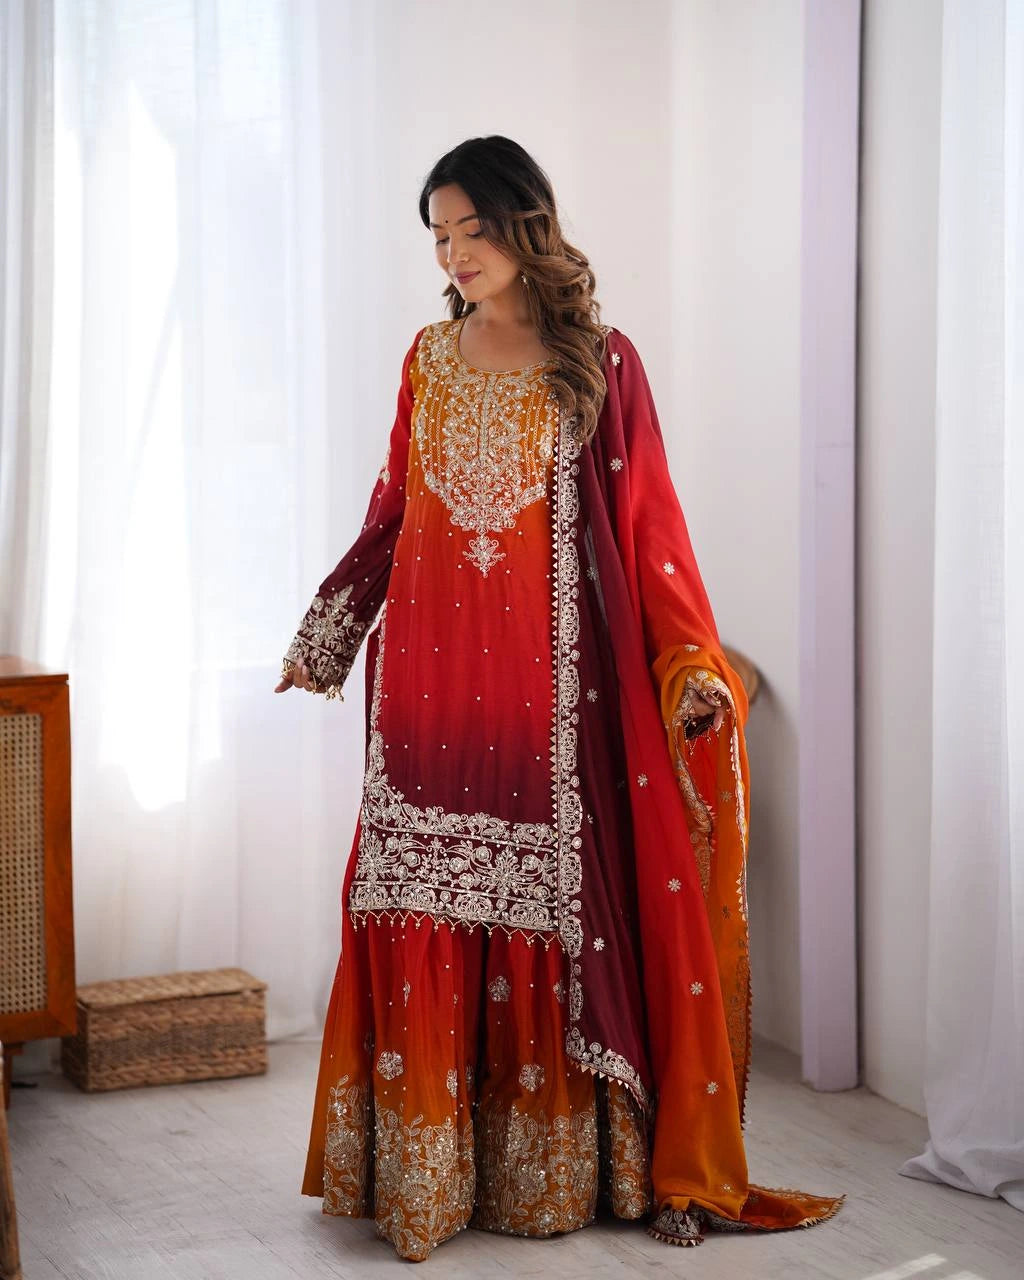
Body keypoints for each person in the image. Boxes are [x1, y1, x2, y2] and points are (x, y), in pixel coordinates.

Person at [275, 135, 843, 1262]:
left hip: (548, 706)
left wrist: (688, 670)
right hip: (427, 701)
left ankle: (556, 1172)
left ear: (522, 222)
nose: (451, 251)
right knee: (416, 902)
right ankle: (425, 1181)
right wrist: (326, 631)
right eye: (436, 234)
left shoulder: (600, 362)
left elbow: (653, 540)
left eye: (468, 228)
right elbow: (394, 511)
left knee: (544, 912)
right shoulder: (428, 359)